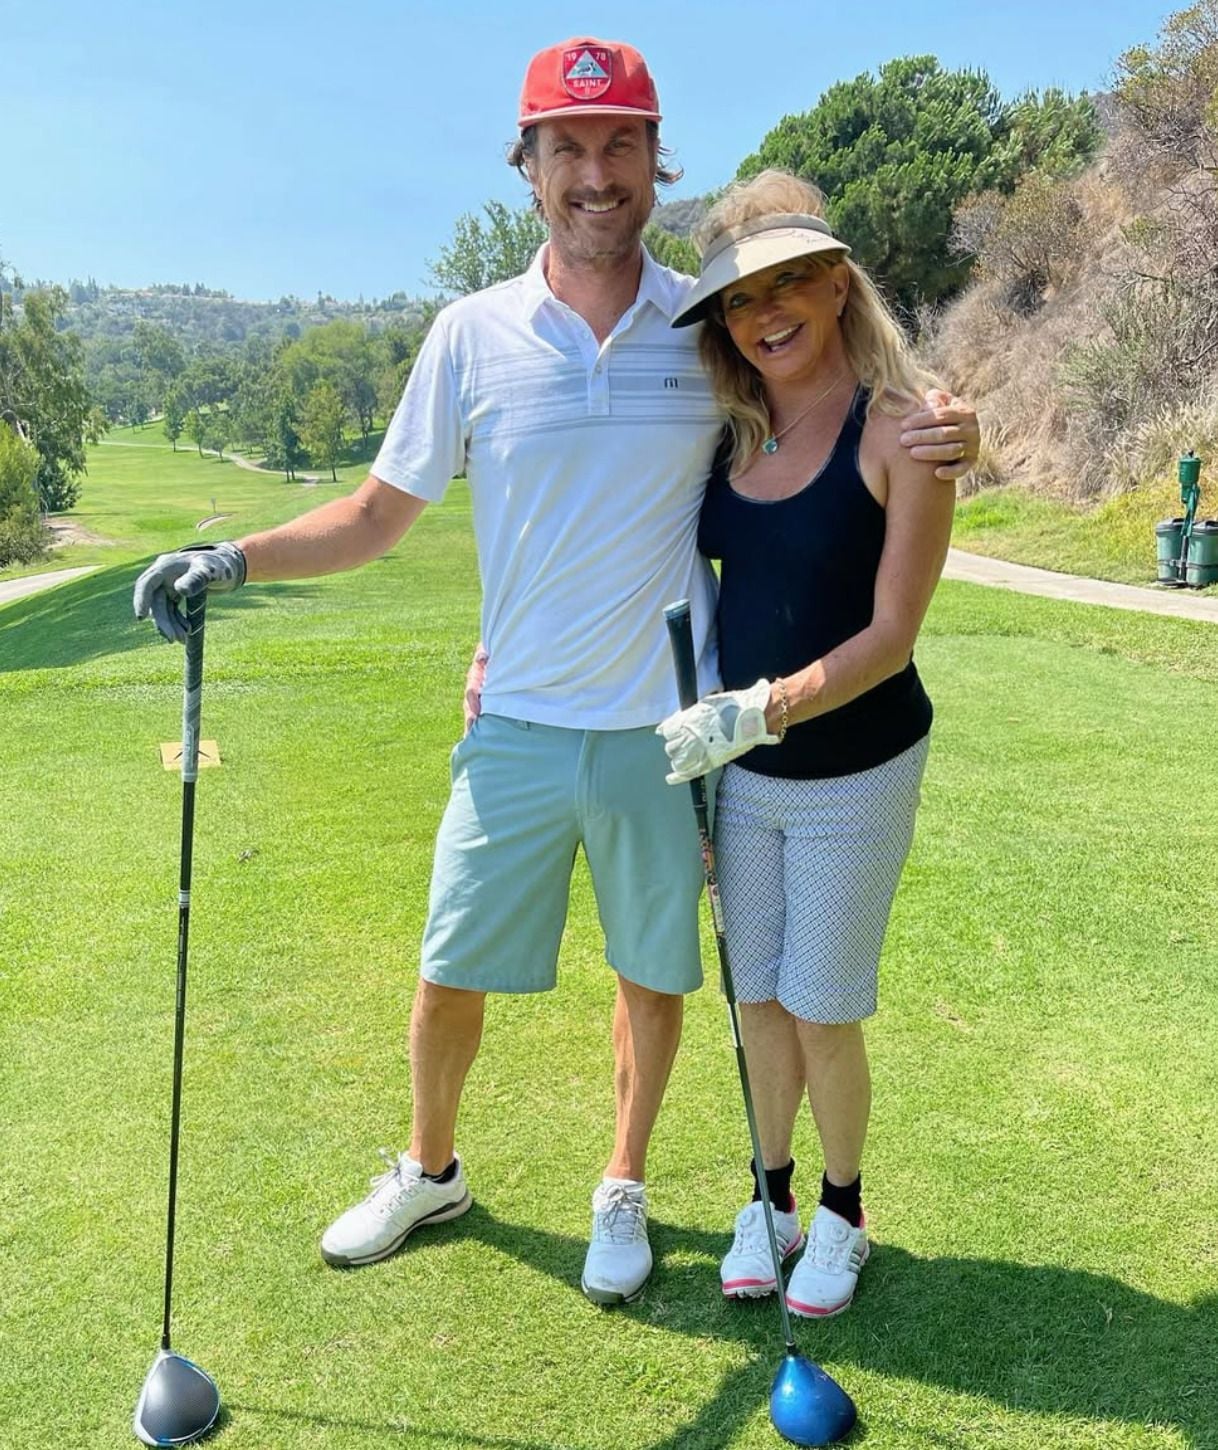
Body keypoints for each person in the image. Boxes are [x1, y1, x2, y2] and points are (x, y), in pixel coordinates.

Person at [132, 38, 978, 1309]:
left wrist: (954, 421)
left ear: (654, 161)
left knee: (654, 976)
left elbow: (838, 398)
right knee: (448, 966)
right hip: (517, 722)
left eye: (621, 143)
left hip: (662, 731)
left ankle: (623, 1182)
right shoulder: (470, 333)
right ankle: (430, 1167)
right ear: (527, 167)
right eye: (567, 147)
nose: (596, 172)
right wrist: (234, 556)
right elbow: (374, 513)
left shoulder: (707, 326)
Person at [654, 170, 955, 1319]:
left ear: (836, 283)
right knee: (759, 1002)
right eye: (739, 299)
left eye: (786, 283)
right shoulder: (733, 430)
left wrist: (757, 708)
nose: (764, 313)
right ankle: (769, 1197)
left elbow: (890, 634)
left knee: (823, 1001)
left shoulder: (904, 428)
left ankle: (842, 1208)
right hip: (744, 776)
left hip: (855, 768)